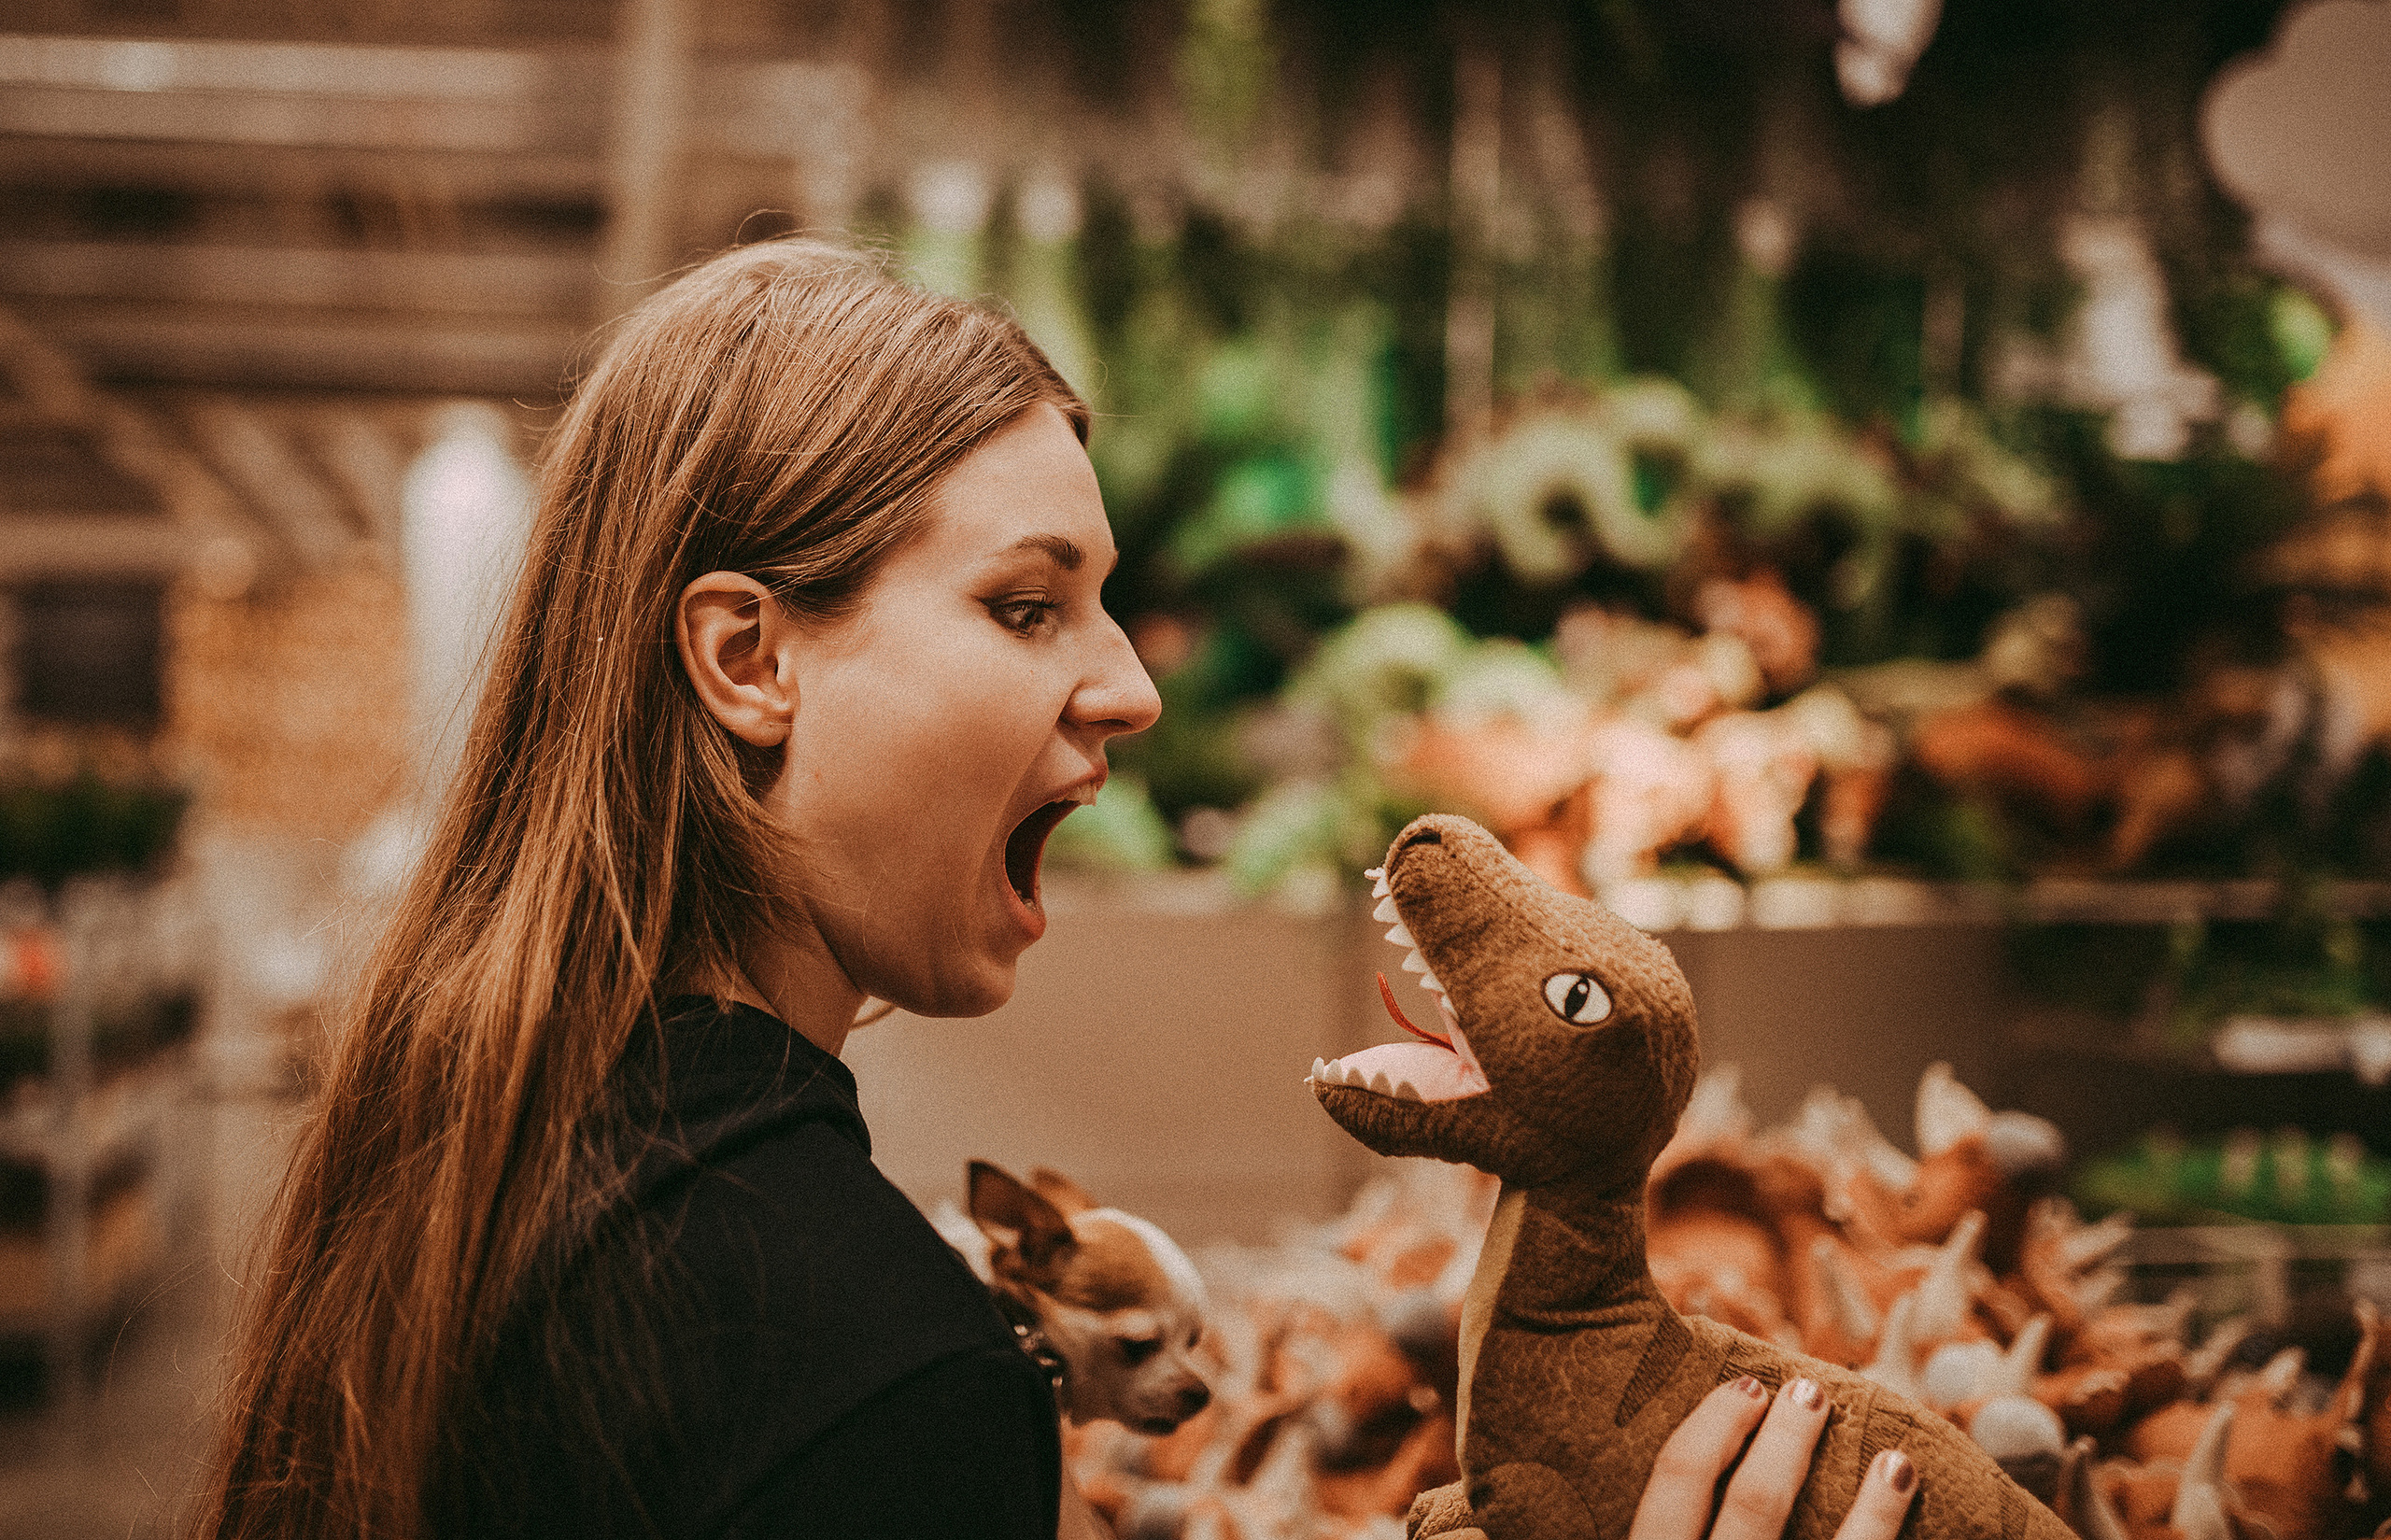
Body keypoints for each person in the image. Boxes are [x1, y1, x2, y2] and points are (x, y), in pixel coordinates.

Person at [191, 241, 1918, 1540]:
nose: (1130, 688)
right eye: (1028, 605)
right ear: (747, 656)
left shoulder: (488, 1148)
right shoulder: (881, 1370)